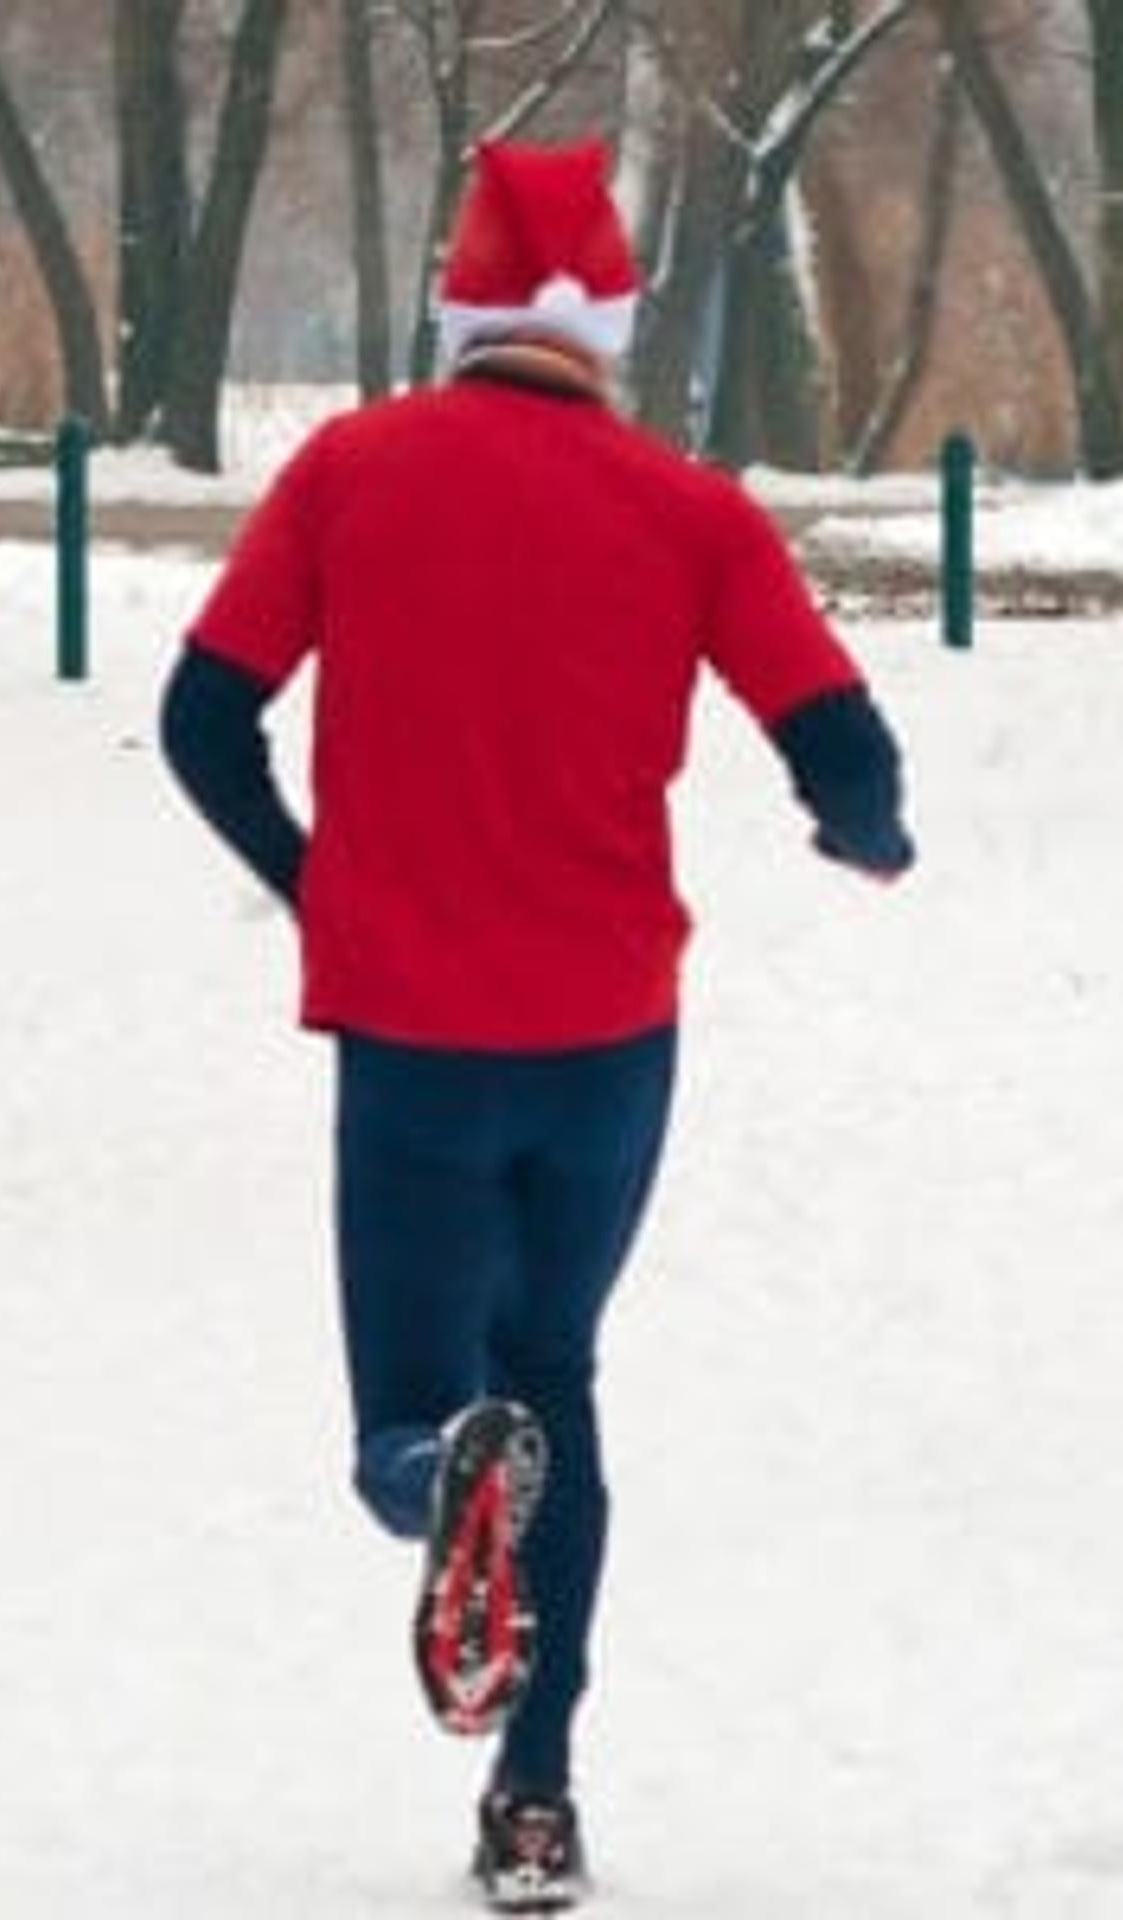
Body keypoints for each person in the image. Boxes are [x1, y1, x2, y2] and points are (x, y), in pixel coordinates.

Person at [159, 138, 914, 1913]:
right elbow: (846, 743)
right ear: (605, 330)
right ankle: (535, 1798)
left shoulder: (350, 472)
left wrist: (312, 877)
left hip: (414, 1034)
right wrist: (864, 834)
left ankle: (431, 1470)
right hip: (605, 1044)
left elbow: (203, 717)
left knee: (410, 1417)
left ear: (466, 310)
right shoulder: (692, 508)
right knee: (556, 1376)